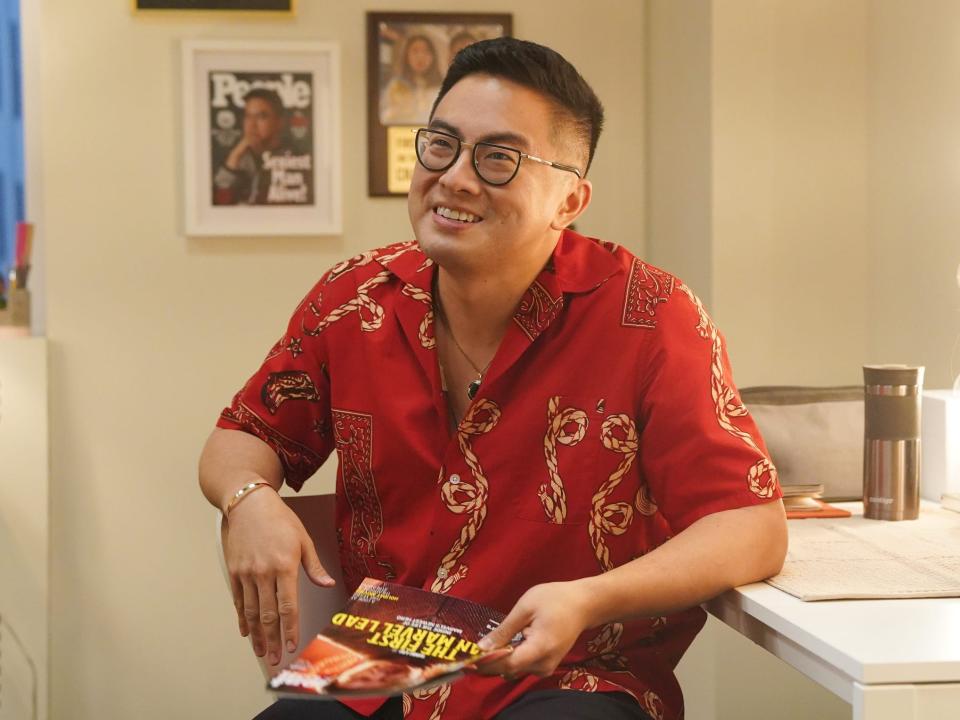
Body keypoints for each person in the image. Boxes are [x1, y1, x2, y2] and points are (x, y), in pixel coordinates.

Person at [199, 37, 787, 720]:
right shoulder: (355, 297)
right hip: (385, 652)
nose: (455, 177)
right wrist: (248, 499)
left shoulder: (652, 317)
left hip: (572, 665)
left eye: (499, 158)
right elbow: (242, 434)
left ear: (570, 199)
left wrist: (590, 598)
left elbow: (750, 523)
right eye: (441, 145)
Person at [213, 88, 308, 205]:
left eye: (261, 116)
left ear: (279, 122)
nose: (251, 124)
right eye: (248, 116)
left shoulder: (296, 159)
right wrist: (235, 156)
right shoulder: (237, 157)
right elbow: (220, 202)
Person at [379, 33, 443, 125]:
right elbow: (384, 118)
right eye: (415, 51)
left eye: (426, 51)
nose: (420, 56)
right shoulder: (396, 86)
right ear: (406, 56)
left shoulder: (442, 87)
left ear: (433, 56)